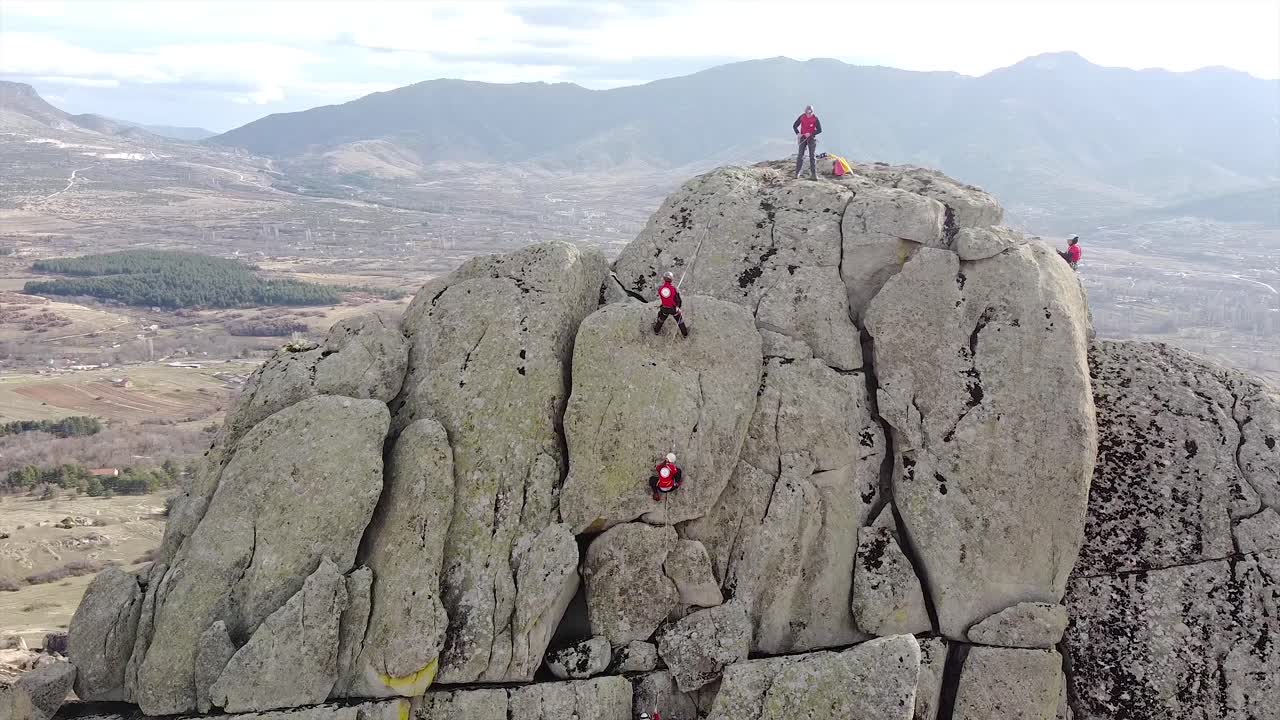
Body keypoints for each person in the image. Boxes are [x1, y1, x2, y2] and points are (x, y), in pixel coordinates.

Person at [653, 271, 689, 337]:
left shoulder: (660, 289)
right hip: (673, 309)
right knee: (680, 321)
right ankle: (685, 334)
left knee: (661, 318)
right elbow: (678, 300)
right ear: (671, 279)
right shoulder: (674, 289)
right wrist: (678, 308)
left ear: (664, 279)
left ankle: (656, 331)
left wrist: (662, 305)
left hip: (664, 308)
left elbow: (665, 298)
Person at [792, 105, 822, 180]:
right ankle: (797, 173)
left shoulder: (815, 119)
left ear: (812, 112)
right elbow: (795, 126)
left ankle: (814, 175)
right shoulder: (802, 117)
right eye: (807, 113)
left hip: (811, 139)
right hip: (802, 138)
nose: (808, 114)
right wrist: (798, 133)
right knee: (800, 156)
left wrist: (811, 133)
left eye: (809, 113)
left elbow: (819, 130)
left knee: (812, 157)